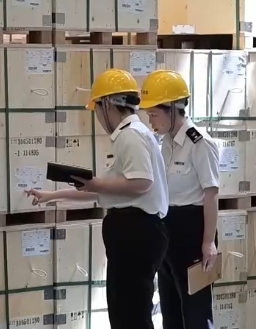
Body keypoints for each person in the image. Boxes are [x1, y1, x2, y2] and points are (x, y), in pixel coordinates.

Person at [26, 68, 169, 329]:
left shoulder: (130, 135)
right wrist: (52, 196)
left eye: (97, 110)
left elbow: (142, 183)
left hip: (136, 233)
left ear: (107, 105)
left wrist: (95, 183)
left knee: (131, 315)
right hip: (135, 232)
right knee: (124, 311)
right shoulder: (132, 134)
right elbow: (107, 189)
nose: (99, 118)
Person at [139, 70, 221, 329]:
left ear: (173, 108)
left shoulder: (200, 143)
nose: (150, 121)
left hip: (193, 230)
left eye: (154, 114)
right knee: (170, 310)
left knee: (195, 312)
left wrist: (208, 242)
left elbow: (211, 194)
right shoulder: (164, 143)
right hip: (168, 229)